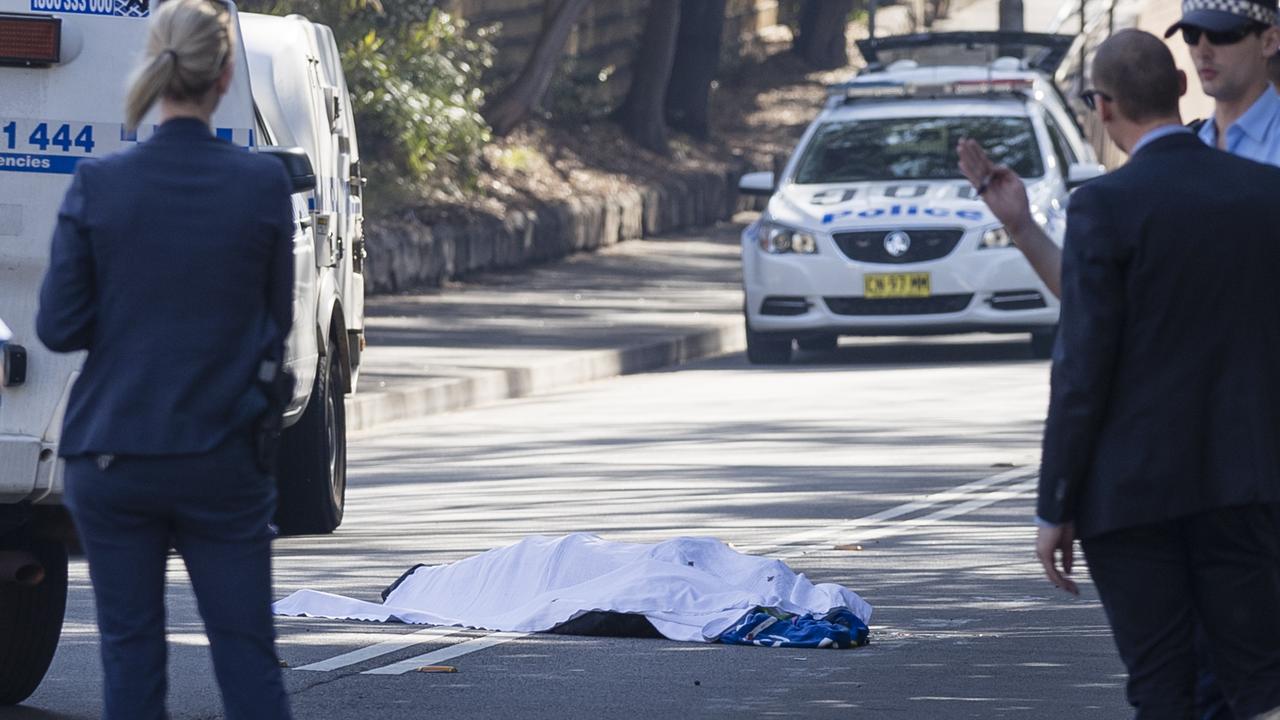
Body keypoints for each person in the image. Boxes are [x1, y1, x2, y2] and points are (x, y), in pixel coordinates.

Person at [990, 29, 1280, 718]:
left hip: (1133, 493)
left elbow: (1082, 365)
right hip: (1247, 481)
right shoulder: (1266, 195)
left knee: (1160, 682)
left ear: (1103, 105)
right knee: (1257, 681)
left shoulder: (1104, 207)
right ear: (1181, 88)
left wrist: (1054, 504)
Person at [35, 1, 295, 718]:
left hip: (114, 455)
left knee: (132, 661)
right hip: (222, 459)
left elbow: (59, 328)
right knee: (247, 658)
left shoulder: (99, 185)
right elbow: (277, 325)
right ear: (226, 74)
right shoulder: (262, 185)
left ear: (151, 65)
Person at [958, 0, 1280, 296]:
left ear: (1269, 40)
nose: (1203, 50)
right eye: (1192, 34)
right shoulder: (1185, 149)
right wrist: (1023, 227)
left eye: (1223, 34)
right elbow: (1097, 294)